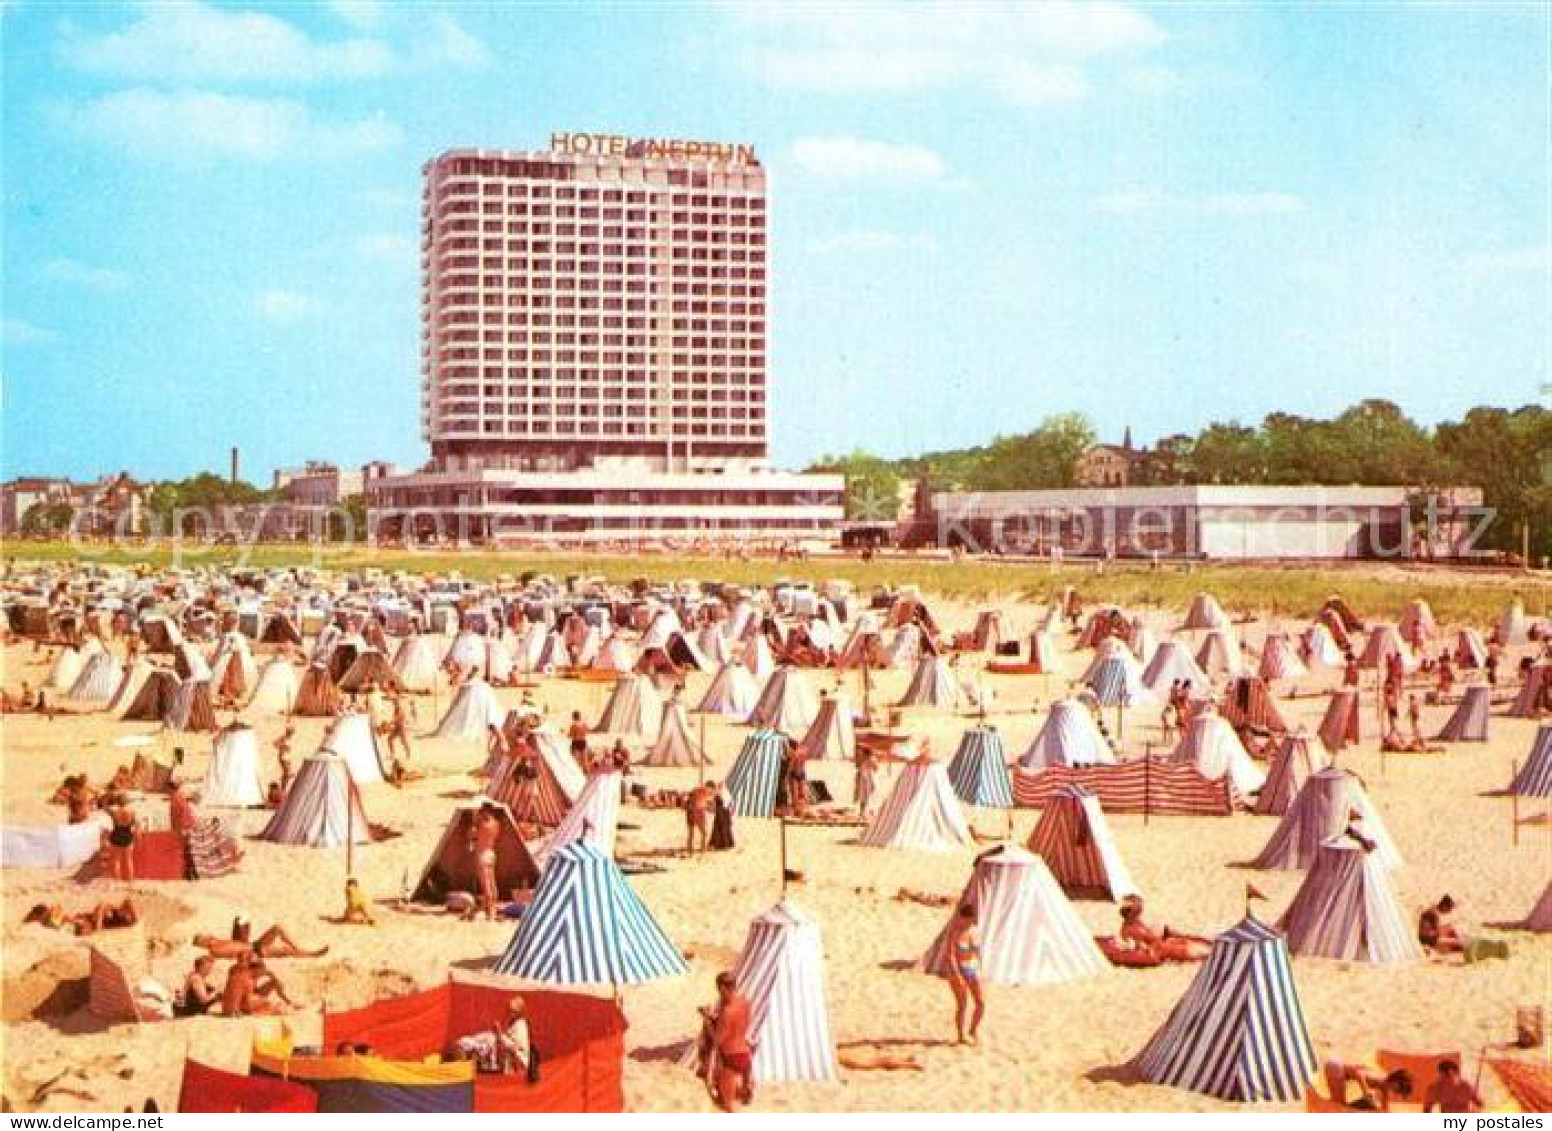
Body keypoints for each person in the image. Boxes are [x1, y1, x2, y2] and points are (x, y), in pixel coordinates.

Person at [701, 972, 752, 1112]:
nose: (719, 994)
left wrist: (707, 1021)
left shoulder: (727, 1012)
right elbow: (746, 1023)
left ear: (723, 988)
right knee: (731, 1094)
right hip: (745, 1053)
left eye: (719, 990)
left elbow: (717, 1040)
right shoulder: (745, 1002)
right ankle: (745, 1088)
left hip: (731, 1057)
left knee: (727, 1107)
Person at [1118, 898, 1210, 962]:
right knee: (1186, 948)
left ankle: (1210, 948)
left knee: (1185, 939)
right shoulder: (1129, 929)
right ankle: (1211, 953)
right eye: (1136, 907)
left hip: (1161, 943)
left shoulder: (1134, 923)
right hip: (1160, 949)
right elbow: (1137, 948)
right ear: (1129, 913)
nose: (1139, 908)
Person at [944, 903, 985, 1046]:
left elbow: (978, 953)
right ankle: (960, 1034)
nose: (967, 922)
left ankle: (973, 1029)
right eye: (965, 919)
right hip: (958, 969)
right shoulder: (954, 933)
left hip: (973, 968)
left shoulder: (975, 931)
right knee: (962, 1004)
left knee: (981, 1003)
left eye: (970, 919)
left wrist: (980, 969)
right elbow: (950, 956)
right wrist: (957, 975)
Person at [1322, 1061, 1413, 1111]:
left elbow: (1384, 1111)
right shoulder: (1380, 1078)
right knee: (1339, 1107)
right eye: (1397, 1092)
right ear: (1395, 1084)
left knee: (1343, 1108)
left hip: (1340, 1071)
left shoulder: (1385, 1087)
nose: (1395, 1095)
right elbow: (1359, 1073)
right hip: (1335, 1068)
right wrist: (1366, 1091)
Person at [472, 803, 502, 920]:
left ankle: (491, 914)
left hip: (482, 854)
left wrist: (474, 821)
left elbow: (474, 836)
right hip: (491, 853)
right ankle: (493, 911)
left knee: (486, 886)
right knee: (493, 884)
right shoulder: (496, 824)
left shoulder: (481, 824)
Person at [496, 996, 533, 1076]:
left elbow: (515, 1047)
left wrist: (499, 1032)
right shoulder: (514, 1023)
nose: (510, 1013)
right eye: (509, 1010)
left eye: (513, 1011)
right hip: (511, 1065)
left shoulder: (520, 1026)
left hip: (518, 1067)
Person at [103, 800, 138, 883]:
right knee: (128, 860)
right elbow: (135, 824)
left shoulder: (114, 812)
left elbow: (105, 809)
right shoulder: (132, 812)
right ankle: (130, 880)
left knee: (116, 860)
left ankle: (117, 881)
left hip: (117, 834)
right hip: (127, 834)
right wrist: (136, 836)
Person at [685, 782, 712, 854]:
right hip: (698, 813)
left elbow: (688, 803)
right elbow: (705, 805)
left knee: (691, 833)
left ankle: (690, 850)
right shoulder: (704, 792)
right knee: (704, 833)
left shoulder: (697, 791)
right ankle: (702, 850)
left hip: (690, 813)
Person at [709, 780, 735, 851]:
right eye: (719, 785)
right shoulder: (718, 793)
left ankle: (725, 845)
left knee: (723, 828)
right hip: (720, 812)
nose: (719, 787)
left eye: (720, 785)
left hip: (723, 813)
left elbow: (729, 804)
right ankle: (718, 845)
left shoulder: (724, 793)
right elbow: (713, 803)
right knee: (717, 828)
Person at [854, 750, 878, 818]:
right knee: (863, 796)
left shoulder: (871, 759)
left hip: (868, 780)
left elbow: (876, 768)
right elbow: (859, 770)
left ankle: (867, 811)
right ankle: (863, 812)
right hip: (863, 779)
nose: (860, 754)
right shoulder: (863, 760)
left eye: (862, 753)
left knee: (867, 796)